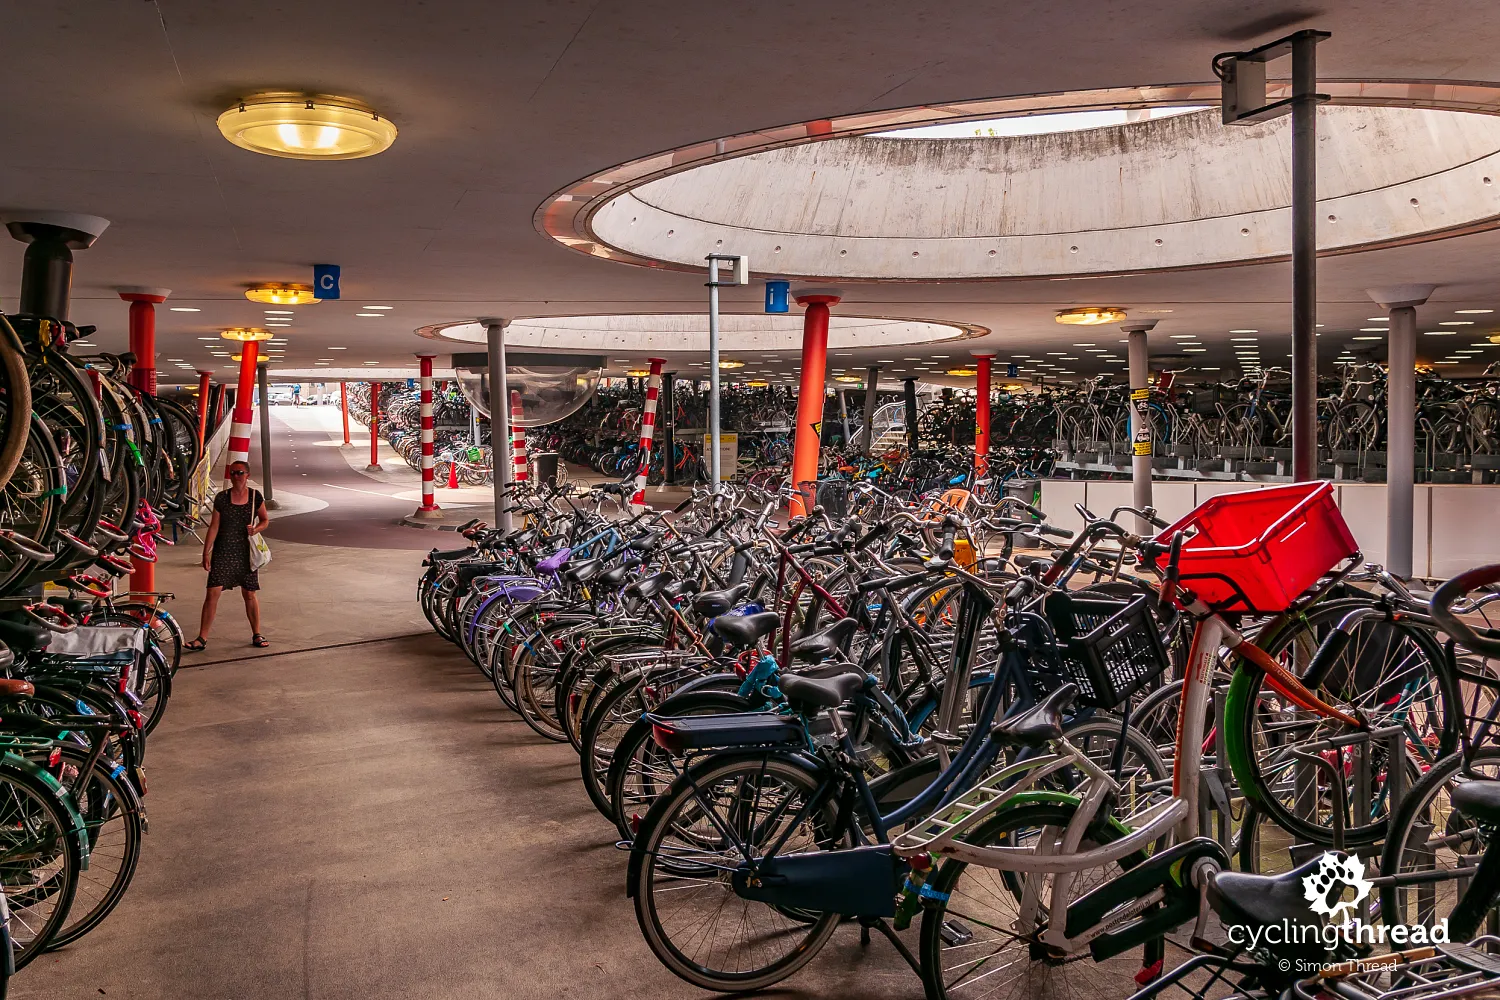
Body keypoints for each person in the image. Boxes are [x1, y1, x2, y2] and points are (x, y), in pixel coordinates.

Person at [185, 461, 271, 651]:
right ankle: (202, 638)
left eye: (239, 473)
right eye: (232, 473)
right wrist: (206, 552)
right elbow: (214, 526)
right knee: (212, 593)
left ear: (247, 475)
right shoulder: (222, 498)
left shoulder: (256, 497)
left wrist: (255, 529)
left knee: (249, 593)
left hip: (245, 551)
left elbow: (265, 520)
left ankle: (257, 633)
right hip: (223, 550)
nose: (235, 477)